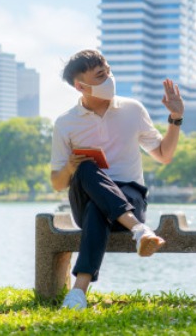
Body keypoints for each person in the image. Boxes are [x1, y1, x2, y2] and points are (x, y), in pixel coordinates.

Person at [50, 49, 184, 310]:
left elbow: (163, 155)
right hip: (87, 195)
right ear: (81, 86)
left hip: (130, 196)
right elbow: (57, 182)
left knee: (97, 207)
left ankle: (78, 292)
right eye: (101, 75)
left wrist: (176, 118)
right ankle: (140, 231)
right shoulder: (66, 123)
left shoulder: (132, 109)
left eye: (109, 71)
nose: (110, 78)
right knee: (86, 169)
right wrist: (71, 166)